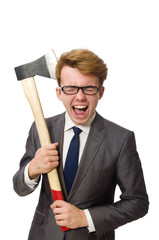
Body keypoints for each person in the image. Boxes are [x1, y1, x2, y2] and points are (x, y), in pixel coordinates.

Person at [13, 49, 149, 240]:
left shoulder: (121, 139)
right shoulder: (41, 128)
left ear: (100, 92)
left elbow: (137, 202)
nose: (80, 97)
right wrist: (32, 169)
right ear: (59, 93)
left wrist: (85, 217)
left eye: (88, 88)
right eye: (70, 88)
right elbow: (19, 188)